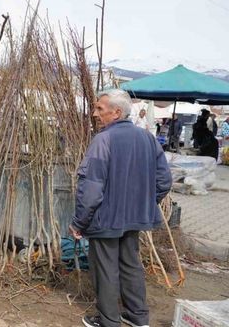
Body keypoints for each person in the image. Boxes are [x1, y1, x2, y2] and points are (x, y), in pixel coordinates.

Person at [69, 89, 172, 327]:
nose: (94, 113)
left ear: (116, 113)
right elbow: (164, 181)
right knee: (130, 264)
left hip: (106, 219)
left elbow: (91, 187)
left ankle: (108, 321)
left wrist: (79, 222)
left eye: (99, 109)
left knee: (105, 269)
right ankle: (137, 317)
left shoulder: (103, 140)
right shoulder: (147, 138)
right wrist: (141, 204)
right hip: (134, 218)